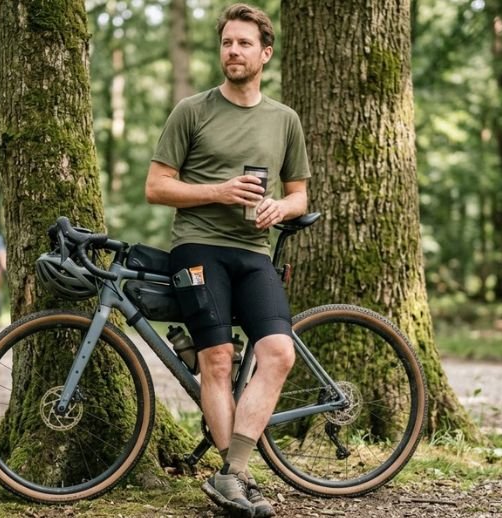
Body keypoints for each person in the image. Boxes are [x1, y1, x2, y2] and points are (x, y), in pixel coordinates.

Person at [145, 4, 310, 517]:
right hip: (197, 247)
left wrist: (279, 207)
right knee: (218, 360)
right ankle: (236, 476)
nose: (232, 51)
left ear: (265, 53)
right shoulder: (191, 111)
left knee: (279, 352)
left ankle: (231, 474)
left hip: (253, 251)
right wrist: (218, 191)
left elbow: (299, 194)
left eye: (243, 43)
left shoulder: (285, 120)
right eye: (226, 43)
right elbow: (156, 187)